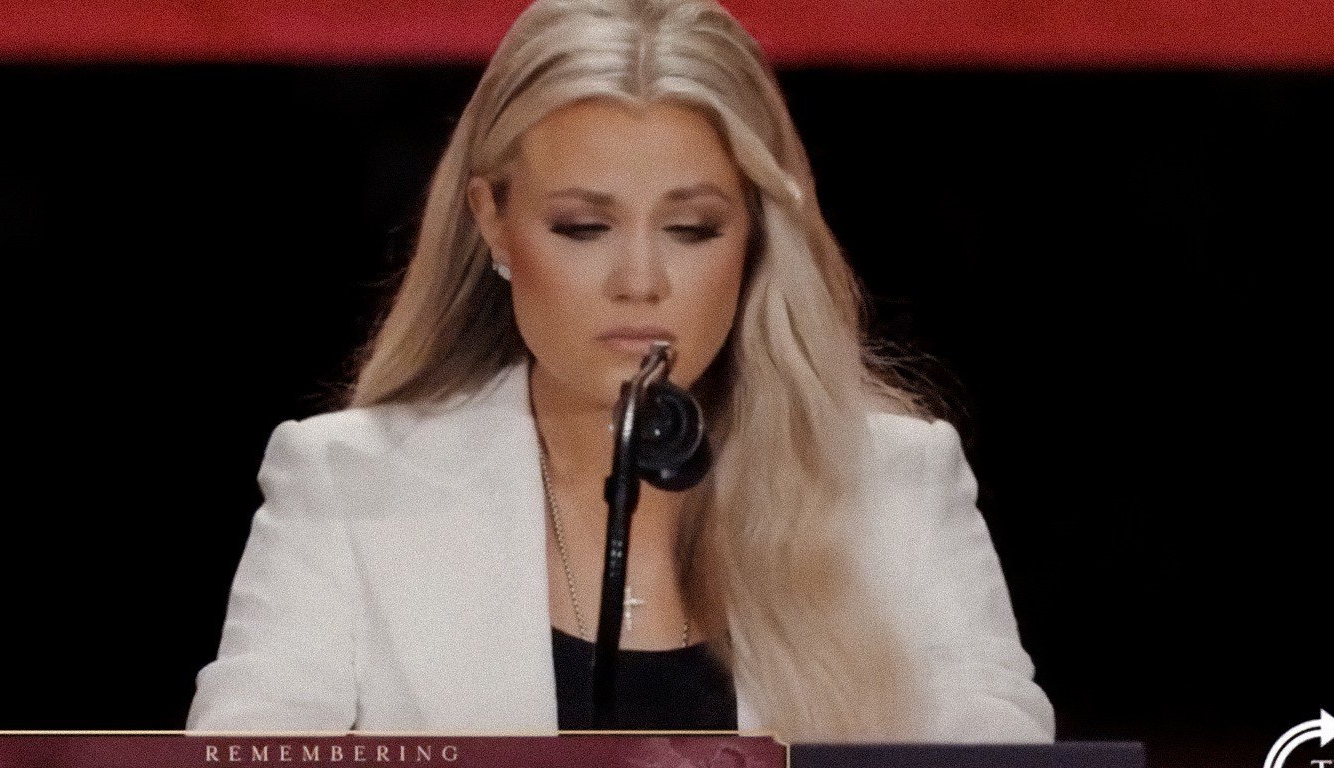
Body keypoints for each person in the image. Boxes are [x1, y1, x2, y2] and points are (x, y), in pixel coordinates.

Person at [186, 0, 1054, 744]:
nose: (640, 281)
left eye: (691, 229)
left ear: (756, 235)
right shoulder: (346, 486)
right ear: (492, 220)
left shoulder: (897, 492)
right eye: (583, 227)